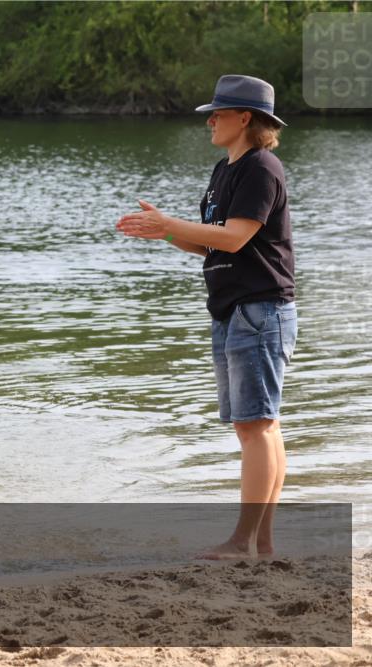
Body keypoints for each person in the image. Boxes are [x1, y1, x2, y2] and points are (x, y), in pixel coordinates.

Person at [116, 75, 297, 559]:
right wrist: (165, 233)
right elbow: (212, 243)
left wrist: (170, 223)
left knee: (256, 426)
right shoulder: (225, 170)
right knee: (258, 425)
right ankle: (262, 542)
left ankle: (243, 541)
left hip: (260, 308)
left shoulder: (262, 167)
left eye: (218, 113)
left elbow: (236, 237)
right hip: (234, 309)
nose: (210, 121)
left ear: (245, 118)